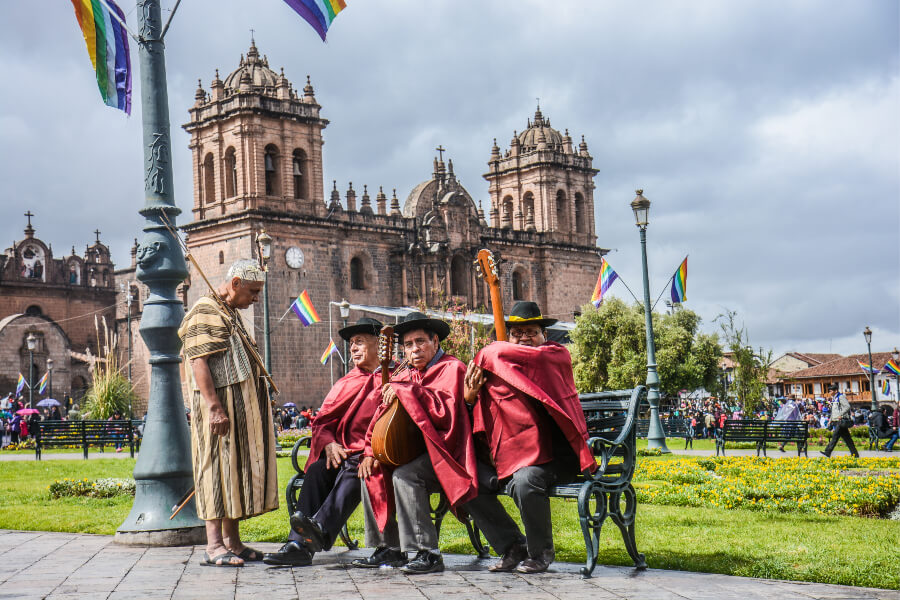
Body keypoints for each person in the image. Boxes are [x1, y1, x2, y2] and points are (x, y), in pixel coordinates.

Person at [462, 301, 595, 573]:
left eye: (531, 331)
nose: (524, 339)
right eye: (516, 334)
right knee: (465, 483)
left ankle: (540, 553)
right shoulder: (500, 366)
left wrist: (491, 351)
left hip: (556, 456)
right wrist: (469, 397)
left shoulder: (554, 355)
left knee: (525, 480)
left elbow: (509, 355)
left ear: (544, 335)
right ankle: (512, 546)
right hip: (509, 455)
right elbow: (481, 411)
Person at [354, 312, 476, 574]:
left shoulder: (452, 369)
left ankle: (428, 553)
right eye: (408, 345)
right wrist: (370, 451)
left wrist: (408, 391)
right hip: (414, 451)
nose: (414, 350)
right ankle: (389, 548)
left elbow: (447, 414)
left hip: (446, 454)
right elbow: (380, 417)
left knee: (405, 476)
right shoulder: (404, 375)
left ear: (435, 341)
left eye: (420, 342)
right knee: (372, 469)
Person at [177, 259, 279, 567]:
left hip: (239, 410)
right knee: (215, 470)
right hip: (221, 410)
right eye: (253, 292)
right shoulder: (205, 311)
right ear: (235, 284)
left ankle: (233, 542)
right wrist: (214, 408)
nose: (256, 298)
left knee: (234, 472)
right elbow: (198, 362)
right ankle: (214, 545)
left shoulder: (228, 311)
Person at [263, 317, 387, 567]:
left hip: (376, 453)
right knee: (319, 470)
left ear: (379, 345)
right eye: (351, 343)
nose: (352, 348)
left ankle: (319, 529)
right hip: (342, 451)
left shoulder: (393, 377)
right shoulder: (347, 381)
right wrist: (329, 443)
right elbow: (322, 422)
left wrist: (369, 450)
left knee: (356, 470)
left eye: (360, 342)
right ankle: (298, 545)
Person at [820, 383, 859, 458]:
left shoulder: (840, 397)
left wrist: (841, 414)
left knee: (835, 436)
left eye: (830, 391)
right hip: (835, 421)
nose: (829, 392)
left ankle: (828, 451)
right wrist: (830, 420)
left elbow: (847, 406)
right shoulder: (834, 398)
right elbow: (834, 411)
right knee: (848, 439)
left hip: (840, 421)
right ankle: (855, 454)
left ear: (835, 390)